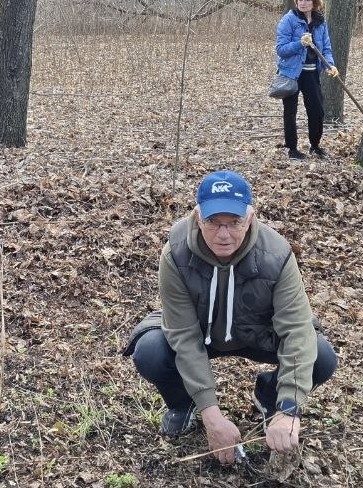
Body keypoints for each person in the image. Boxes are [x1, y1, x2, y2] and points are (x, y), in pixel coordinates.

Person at [126, 170, 337, 464]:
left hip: (258, 332)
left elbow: (296, 329)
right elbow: (183, 335)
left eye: (234, 222)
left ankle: (269, 397)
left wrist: (289, 408)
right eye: (213, 222)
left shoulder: (277, 254)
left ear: (250, 218)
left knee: (321, 355)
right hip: (201, 332)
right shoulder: (176, 253)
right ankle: (183, 403)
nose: (223, 234)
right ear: (198, 217)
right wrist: (212, 415)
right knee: (150, 351)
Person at [275, 0, 340, 159]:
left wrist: (330, 65)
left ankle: (315, 146)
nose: (302, 3)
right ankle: (292, 149)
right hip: (291, 74)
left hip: (312, 73)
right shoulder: (289, 20)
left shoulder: (320, 22)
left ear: (315, 3)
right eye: (300, 0)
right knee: (290, 112)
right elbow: (281, 49)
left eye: (307, 0)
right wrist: (299, 44)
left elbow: (326, 48)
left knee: (317, 110)